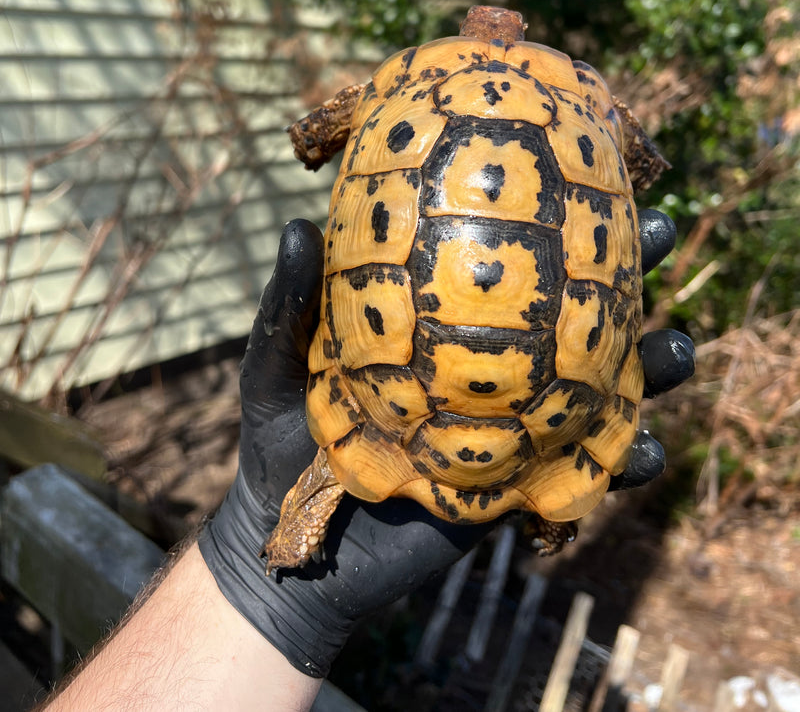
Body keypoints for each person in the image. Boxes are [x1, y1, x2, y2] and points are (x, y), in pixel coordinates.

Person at [41, 214, 694, 712]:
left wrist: (260, 588)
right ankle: (545, 490)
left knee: (343, 458)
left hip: (419, 404)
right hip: (500, 420)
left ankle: (544, 492)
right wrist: (258, 581)